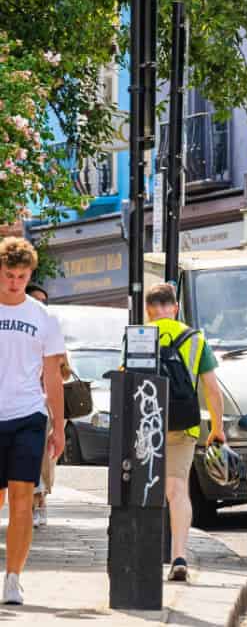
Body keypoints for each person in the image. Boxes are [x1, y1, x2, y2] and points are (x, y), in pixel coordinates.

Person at [144, 282, 225, 583]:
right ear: (175, 308)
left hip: (147, 425)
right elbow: (213, 390)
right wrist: (217, 429)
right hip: (184, 425)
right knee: (177, 489)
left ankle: (145, 553)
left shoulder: (139, 337)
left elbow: (125, 382)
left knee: (147, 490)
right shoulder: (194, 338)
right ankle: (179, 555)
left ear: (148, 311)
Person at [0, 238, 64, 606]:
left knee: (23, 498)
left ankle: (13, 578)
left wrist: (60, 425)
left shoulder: (43, 318)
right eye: (9, 275)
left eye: (22, 276)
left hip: (28, 415)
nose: (15, 283)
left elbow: (52, 377)